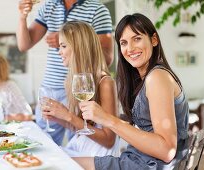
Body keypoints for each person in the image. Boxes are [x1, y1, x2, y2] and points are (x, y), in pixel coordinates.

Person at [73, 13, 189, 169]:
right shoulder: (145, 78)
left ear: (154, 40)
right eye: (124, 42)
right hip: (138, 160)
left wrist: (108, 119)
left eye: (137, 39)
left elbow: (166, 150)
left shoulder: (156, 77)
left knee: (61, 163)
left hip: (148, 165)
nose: (130, 48)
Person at [17, 0, 114, 145]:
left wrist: (71, 41)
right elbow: (24, 45)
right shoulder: (49, 6)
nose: (60, 52)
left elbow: (107, 58)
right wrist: (22, 17)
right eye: (61, 47)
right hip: (52, 86)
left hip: (80, 87)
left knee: (79, 140)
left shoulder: (97, 9)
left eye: (63, 47)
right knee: (43, 142)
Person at [41, 21, 120, 157]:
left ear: (79, 47)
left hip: (97, 158)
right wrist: (58, 118)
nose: (59, 52)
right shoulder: (74, 81)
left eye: (63, 46)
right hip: (81, 149)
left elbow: (109, 140)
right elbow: (83, 128)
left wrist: (68, 116)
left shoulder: (105, 83)